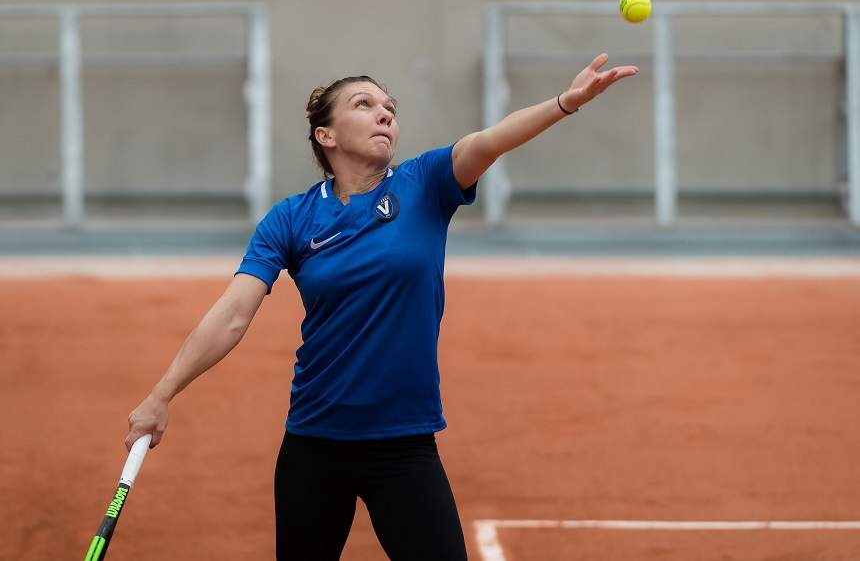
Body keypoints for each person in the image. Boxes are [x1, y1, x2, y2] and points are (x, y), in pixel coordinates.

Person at [125, 52, 637, 560]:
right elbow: (233, 314)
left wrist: (566, 103)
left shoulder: (427, 183)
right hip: (314, 440)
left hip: (403, 442)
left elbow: (492, 140)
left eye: (388, 106)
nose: (384, 113)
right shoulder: (291, 219)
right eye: (364, 103)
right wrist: (162, 394)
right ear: (326, 135)